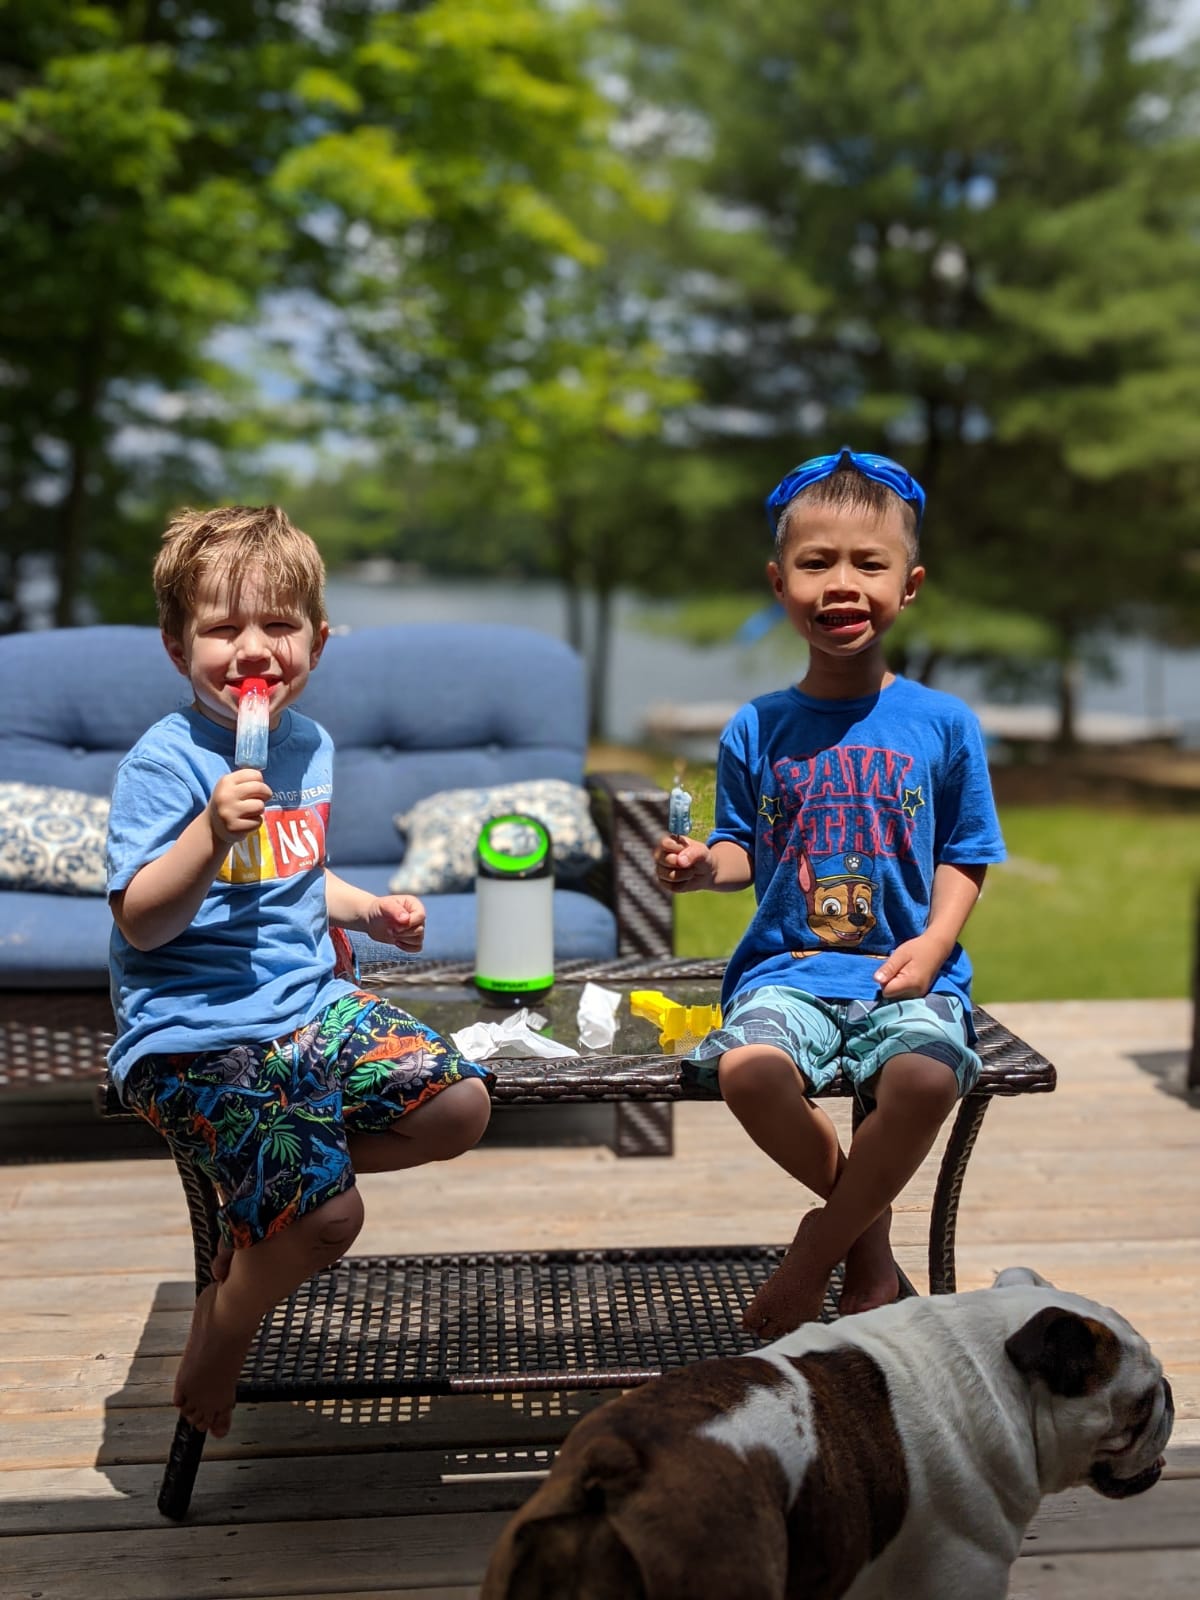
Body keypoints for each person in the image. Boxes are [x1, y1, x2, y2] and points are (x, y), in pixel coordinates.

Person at [106, 505, 493, 1439]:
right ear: (174, 645)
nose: (253, 651)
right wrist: (206, 830)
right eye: (221, 628)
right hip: (195, 1033)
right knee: (329, 1220)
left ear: (317, 641)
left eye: (279, 626)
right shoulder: (163, 766)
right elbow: (142, 920)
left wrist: (367, 909)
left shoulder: (307, 745)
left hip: (310, 1007)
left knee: (461, 1107)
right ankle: (226, 1327)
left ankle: (275, 1186)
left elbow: (290, 875)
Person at [655, 448, 1005, 1338]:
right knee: (748, 1073)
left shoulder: (942, 722)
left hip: (905, 971)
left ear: (910, 584)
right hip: (789, 972)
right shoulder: (758, 725)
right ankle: (871, 1244)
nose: (841, 584)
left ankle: (817, 1250)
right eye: (816, 564)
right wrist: (706, 867)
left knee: (925, 1080)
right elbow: (742, 848)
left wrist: (934, 943)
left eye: (868, 564)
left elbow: (968, 852)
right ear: (780, 582)